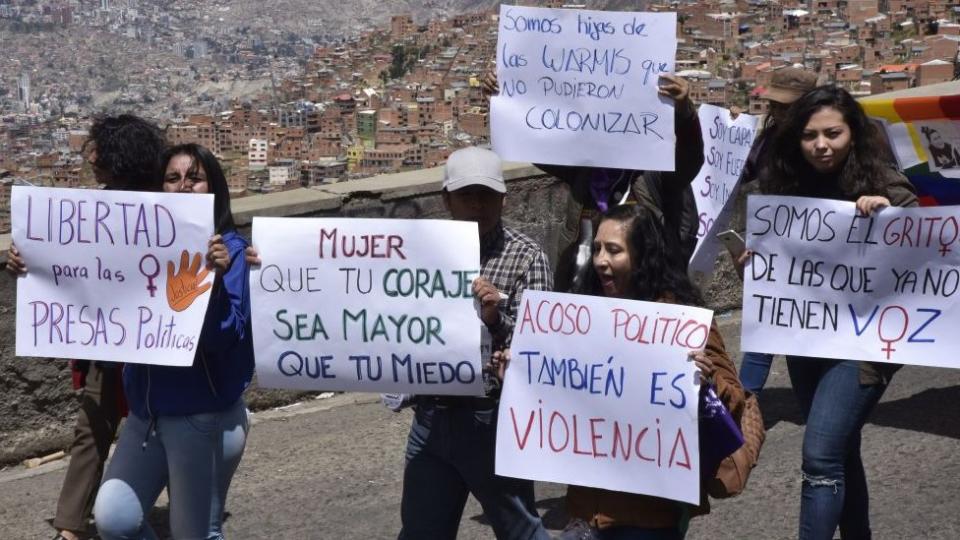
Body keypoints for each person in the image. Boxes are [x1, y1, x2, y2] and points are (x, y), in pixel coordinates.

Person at [493, 203, 745, 540]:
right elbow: (563, 389)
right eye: (597, 248)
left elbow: (734, 398)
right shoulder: (582, 319)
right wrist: (520, 376)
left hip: (650, 515)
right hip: (585, 512)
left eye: (613, 250)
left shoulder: (680, 321)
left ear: (642, 256)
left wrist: (705, 380)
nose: (600, 260)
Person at [755, 86, 917, 540]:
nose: (821, 145)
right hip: (808, 336)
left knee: (821, 455)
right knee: (842, 450)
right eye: (809, 135)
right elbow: (779, 253)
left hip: (865, 345)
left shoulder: (883, 182)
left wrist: (888, 218)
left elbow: (924, 249)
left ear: (853, 133)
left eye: (833, 133)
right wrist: (756, 257)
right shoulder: (784, 182)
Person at [5, 114, 166, 540]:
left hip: (154, 342)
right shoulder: (93, 210)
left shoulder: (165, 208)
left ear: (123, 157)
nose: (93, 159)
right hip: (107, 346)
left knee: (162, 427)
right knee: (92, 427)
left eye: (102, 152)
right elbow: (63, 263)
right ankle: (70, 528)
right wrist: (22, 263)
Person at [92, 143, 253, 540]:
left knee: (196, 534)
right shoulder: (136, 252)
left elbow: (225, 337)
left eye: (194, 179)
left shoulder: (232, 253)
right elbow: (92, 295)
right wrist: (36, 271)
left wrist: (213, 283)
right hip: (146, 417)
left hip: (203, 418)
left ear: (213, 188)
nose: (183, 187)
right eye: (172, 178)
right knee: (114, 520)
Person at [398, 146, 553, 540]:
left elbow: (538, 348)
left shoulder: (525, 258)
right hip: (431, 417)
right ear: (446, 199)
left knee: (521, 531)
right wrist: (281, 263)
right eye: (466, 195)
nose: (477, 205)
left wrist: (494, 319)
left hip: (493, 420)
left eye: (486, 195)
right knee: (420, 532)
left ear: (503, 199)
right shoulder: (417, 252)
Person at [481, 71, 704, 290]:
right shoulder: (585, 168)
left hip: (647, 294)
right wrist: (504, 98)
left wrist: (685, 114)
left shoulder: (654, 174)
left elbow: (690, 158)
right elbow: (534, 143)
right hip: (586, 292)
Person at [734, 66, 818, 396]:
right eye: (775, 105)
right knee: (765, 329)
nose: (778, 111)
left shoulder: (822, 141)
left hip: (815, 257)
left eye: (787, 106)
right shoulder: (767, 141)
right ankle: (740, 408)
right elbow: (740, 171)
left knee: (796, 334)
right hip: (773, 251)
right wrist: (731, 134)